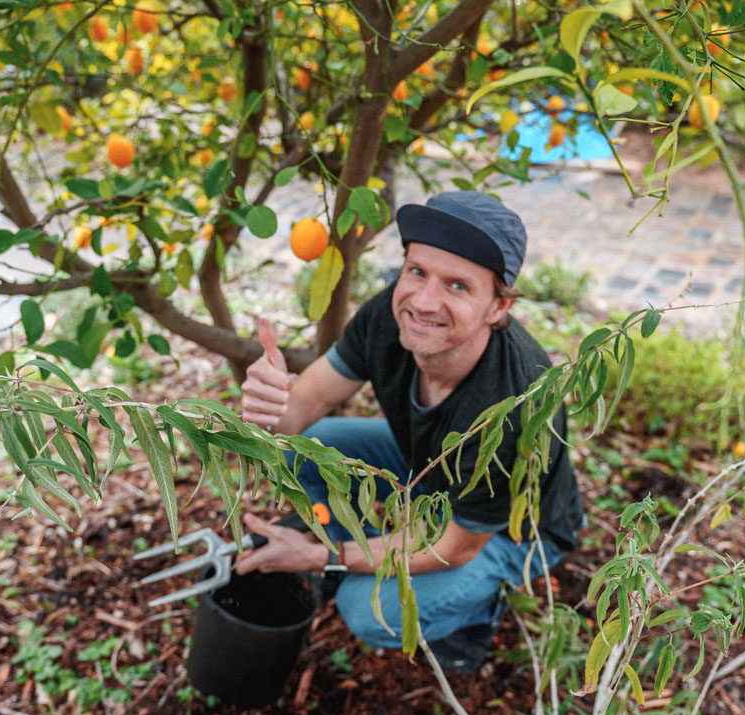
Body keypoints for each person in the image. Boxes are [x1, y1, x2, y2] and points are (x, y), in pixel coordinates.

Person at [236, 190, 584, 672]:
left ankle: (477, 611)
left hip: (511, 532)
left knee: (369, 611)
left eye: (457, 286)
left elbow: (455, 546)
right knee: (303, 451)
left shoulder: (513, 405)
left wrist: (321, 557)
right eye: (417, 271)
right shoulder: (389, 315)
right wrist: (269, 403)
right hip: (427, 465)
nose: (423, 302)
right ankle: (363, 549)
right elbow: (306, 404)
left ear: (498, 307)